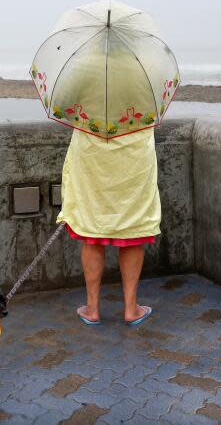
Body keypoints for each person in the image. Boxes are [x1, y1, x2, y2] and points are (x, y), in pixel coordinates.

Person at [56, 125, 161, 325]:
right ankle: (131, 308)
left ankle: (92, 308)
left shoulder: (86, 90)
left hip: (91, 151)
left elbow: (69, 109)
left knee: (92, 229)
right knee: (132, 229)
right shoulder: (143, 92)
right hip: (134, 152)